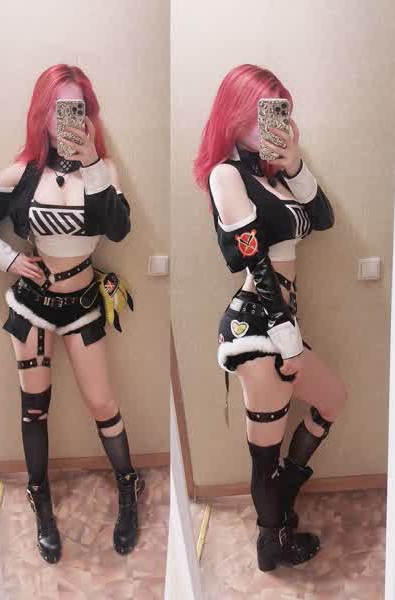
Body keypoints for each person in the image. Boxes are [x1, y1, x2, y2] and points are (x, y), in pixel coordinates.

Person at [0, 63, 144, 563]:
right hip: (34, 307)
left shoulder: (104, 171)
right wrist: (7, 258)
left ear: (88, 115)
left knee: (102, 403)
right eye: (59, 108)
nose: (69, 119)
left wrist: (93, 165)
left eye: (77, 109)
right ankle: (39, 497)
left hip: (82, 306)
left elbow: (119, 229)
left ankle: (128, 484)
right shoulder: (24, 173)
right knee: (34, 407)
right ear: (43, 114)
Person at [193, 64, 347, 571]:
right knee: (265, 451)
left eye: (277, 113)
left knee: (332, 399)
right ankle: (271, 542)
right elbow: (254, 259)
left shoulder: (275, 175)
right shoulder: (226, 175)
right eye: (259, 112)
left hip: (281, 324)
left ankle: (283, 497)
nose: (268, 125)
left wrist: (295, 162)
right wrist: (287, 338)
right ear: (234, 114)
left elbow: (322, 218)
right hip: (256, 327)